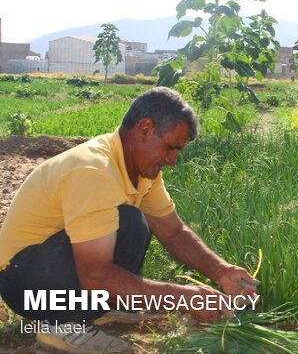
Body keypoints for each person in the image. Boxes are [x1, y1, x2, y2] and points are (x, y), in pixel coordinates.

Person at [0, 87, 259, 353]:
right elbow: (95, 274)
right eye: (170, 148)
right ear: (145, 129)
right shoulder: (92, 170)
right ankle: (63, 325)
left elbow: (173, 233)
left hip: (55, 271)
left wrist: (221, 271)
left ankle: (92, 310)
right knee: (125, 225)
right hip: (25, 281)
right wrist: (184, 298)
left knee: (132, 221)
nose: (172, 161)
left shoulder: (142, 172)